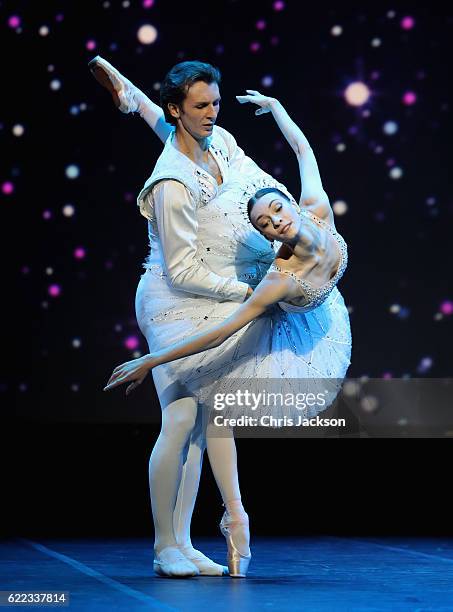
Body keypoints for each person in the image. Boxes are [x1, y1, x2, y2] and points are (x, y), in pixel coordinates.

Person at [95, 58, 351, 576]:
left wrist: (133, 100)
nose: (212, 113)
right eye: (201, 106)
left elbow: (170, 125)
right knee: (182, 416)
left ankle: (186, 541)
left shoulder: (218, 141)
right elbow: (184, 268)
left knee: (204, 421)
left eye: (215, 101)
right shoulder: (170, 184)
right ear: (178, 108)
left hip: (225, 298)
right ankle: (165, 543)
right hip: (178, 298)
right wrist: (242, 290)